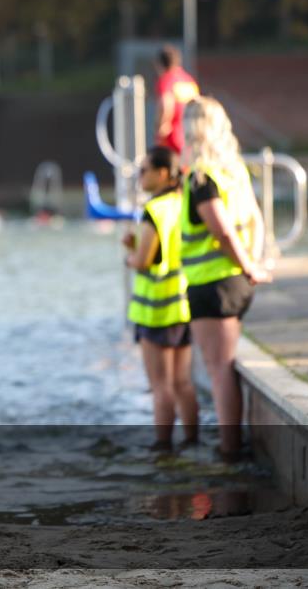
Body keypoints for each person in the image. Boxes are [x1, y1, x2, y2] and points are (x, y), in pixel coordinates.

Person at [180, 96, 271, 461]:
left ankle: (230, 449)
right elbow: (255, 221)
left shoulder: (202, 178)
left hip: (213, 284)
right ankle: (231, 445)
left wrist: (249, 266)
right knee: (224, 365)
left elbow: (223, 232)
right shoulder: (234, 172)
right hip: (233, 282)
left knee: (219, 369)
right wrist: (254, 264)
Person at [122, 147, 197, 451]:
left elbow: (143, 260)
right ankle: (193, 440)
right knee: (183, 383)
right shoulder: (183, 202)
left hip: (155, 310)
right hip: (183, 303)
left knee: (160, 386)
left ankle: (162, 447)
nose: (140, 177)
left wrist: (129, 253)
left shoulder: (154, 210)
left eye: (144, 170)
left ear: (163, 174)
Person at [154, 45, 200, 156]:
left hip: (173, 137)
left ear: (160, 64)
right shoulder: (189, 80)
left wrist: (162, 125)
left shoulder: (166, 79)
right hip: (191, 135)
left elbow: (166, 103)